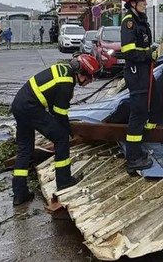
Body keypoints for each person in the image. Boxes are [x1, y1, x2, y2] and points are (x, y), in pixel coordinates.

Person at [10, 54, 99, 205]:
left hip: (19, 106)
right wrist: (69, 132)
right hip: (31, 108)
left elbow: (53, 105)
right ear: (81, 73)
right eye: (89, 78)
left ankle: (20, 194)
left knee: (25, 149)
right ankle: (64, 181)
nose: (89, 81)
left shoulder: (62, 70)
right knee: (61, 139)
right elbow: (60, 114)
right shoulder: (66, 82)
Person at [118, 0, 155, 173]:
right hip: (136, 73)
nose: (146, 3)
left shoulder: (139, 19)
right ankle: (133, 158)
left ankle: (137, 150)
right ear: (132, 2)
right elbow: (129, 52)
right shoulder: (129, 22)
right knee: (137, 113)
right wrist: (149, 55)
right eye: (143, 1)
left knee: (142, 113)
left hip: (142, 73)